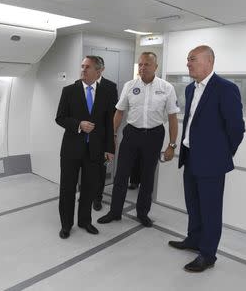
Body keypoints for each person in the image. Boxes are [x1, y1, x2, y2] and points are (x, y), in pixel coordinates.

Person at [168, 45, 245, 272]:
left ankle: (208, 254)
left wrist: (222, 154)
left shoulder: (226, 88)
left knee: (211, 210)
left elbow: (236, 129)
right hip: (190, 156)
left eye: (192, 59)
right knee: (193, 205)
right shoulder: (192, 89)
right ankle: (193, 239)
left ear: (209, 61)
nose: (188, 64)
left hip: (212, 162)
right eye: (188, 60)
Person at [98, 52, 179, 227]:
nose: (142, 68)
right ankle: (115, 212)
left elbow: (172, 118)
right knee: (121, 175)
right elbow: (119, 112)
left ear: (155, 67)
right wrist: (112, 136)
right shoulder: (130, 85)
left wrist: (172, 145)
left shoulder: (166, 88)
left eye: (146, 65)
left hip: (154, 135)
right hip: (131, 134)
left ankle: (143, 213)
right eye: (140, 64)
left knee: (147, 177)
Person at [56, 56, 115, 239]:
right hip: (71, 150)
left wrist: (109, 148)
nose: (83, 70)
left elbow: (108, 123)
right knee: (67, 188)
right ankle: (66, 225)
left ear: (98, 71)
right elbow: (60, 118)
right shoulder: (69, 91)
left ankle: (85, 221)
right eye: (82, 66)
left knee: (89, 188)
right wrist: (79, 124)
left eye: (87, 67)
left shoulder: (106, 91)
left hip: (95, 151)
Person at [91, 56, 118, 211]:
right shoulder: (80, 84)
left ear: (101, 69)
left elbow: (113, 113)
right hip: (85, 134)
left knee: (100, 169)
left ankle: (97, 198)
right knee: (86, 166)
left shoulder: (109, 86)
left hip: (101, 135)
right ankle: (87, 193)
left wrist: (112, 136)